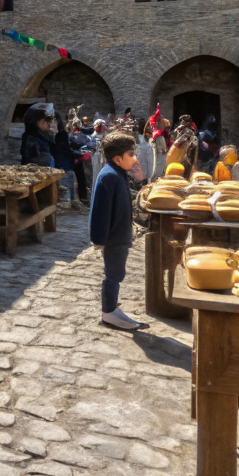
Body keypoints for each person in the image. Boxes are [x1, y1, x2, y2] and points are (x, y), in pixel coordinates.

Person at [88, 131, 145, 331]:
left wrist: (139, 178)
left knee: (116, 272)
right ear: (118, 158)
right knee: (113, 273)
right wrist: (99, 239)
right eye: (131, 154)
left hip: (119, 233)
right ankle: (109, 312)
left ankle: (112, 306)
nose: (135, 158)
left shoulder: (117, 173)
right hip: (113, 236)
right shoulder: (109, 177)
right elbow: (99, 210)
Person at [52, 119, 79, 205]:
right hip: (68, 170)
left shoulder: (55, 147)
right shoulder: (65, 147)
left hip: (60, 171)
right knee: (69, 190)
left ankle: (67, 203)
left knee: (64, 192)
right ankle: (70, 202)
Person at [69, 121, 92, 204]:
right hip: (73, 159)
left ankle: (83, 197)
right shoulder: (70, 136)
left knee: (82, 179)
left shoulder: (80, 135)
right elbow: (69, 148)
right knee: (78, 179)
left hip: (78, 159)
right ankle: (79, 198)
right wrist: (80, 154)